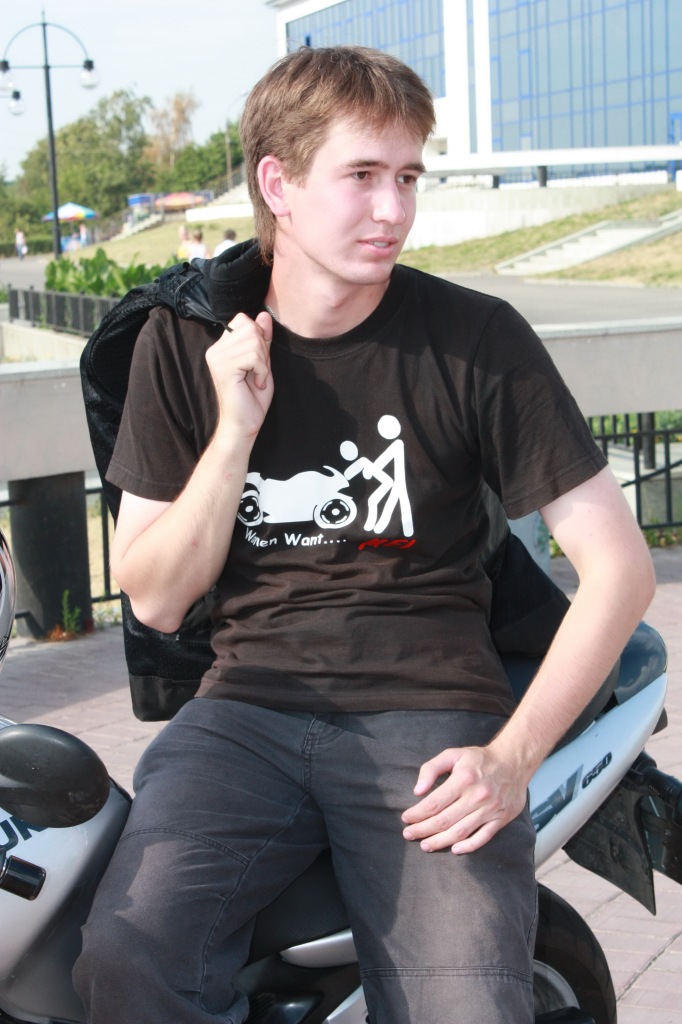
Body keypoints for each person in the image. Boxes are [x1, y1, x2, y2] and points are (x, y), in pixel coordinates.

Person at [73, 46, 655, 1024]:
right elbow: (158, 597)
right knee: (128, 958)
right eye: (362, 176)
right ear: (279, 185)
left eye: (408, 178)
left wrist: (510, 759)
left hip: (428, 715)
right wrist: (234, 432)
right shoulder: (185, 340)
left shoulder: (477, 339)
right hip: (245, 712)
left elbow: (620, 570)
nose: (393, 210)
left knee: (463, 1007)